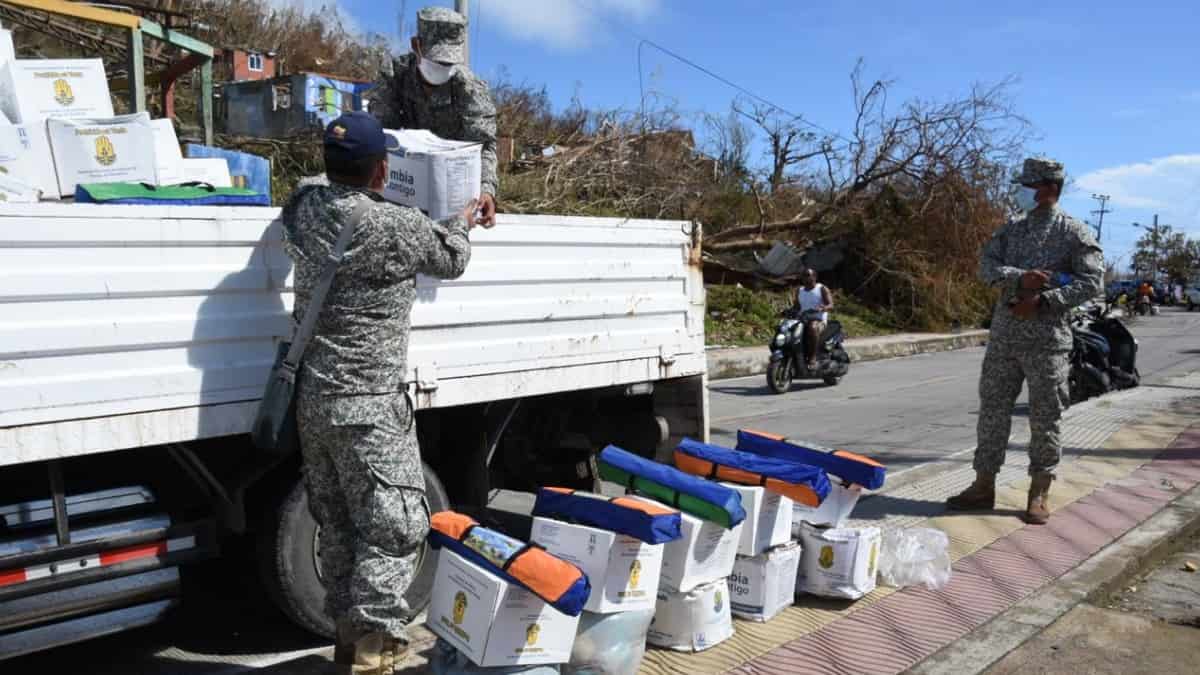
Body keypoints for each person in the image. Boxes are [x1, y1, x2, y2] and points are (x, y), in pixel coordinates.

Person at [282, 112, 476, 674]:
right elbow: (453, 259)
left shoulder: (303, 209)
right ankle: (373, 660)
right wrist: (461, 219)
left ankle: (348, 649)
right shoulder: (397, 225)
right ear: (383, 169)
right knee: (396, 530)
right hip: (369, 408)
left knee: (339, 526)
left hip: (315, 403)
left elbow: (307, 190)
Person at [947, 157, 1103, 525]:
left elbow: (1092, 281)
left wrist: (1045, 299)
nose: (1021, 191)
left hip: (1048, 341)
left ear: (1048, 189)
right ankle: (983, 485)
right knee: (992, 412)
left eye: (1028, 185)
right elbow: (986, 268)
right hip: (1005, 339)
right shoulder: (1010, 229)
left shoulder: (1073, 232)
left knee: (1045, 416)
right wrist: (1020, 279)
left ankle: (1039, 491)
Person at [372, 6, 497, 227]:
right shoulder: (394, 76)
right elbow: (380, 133)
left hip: (452, 191)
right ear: (416, 46)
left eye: (449, 63)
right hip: (402, 185)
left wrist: (486, 190)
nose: (442, 67)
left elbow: (484, 145)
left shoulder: (470, 89)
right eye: (436, 60)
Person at [796, 268, 834, 371]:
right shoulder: (800, 290)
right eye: (804, 275)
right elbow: (797, 307)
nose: (806, 277)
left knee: (812, 327)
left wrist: (822, 308)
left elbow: (831, 305)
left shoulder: (821, 288)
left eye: (808, 275)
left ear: (814, 277)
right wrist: (785, 312)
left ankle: (813, 357)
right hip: (803, 319)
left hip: (819, 320)